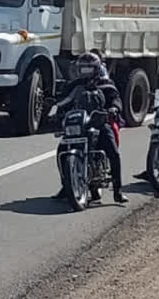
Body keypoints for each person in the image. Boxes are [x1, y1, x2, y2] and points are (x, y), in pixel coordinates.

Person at [53, 52, 127, 204]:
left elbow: (116, 98)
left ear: (96, 68)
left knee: (113, 151)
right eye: (83, 69)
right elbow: (63, 101)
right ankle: (66, 185)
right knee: (61, 149)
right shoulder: (74, 85)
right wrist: (56, 111)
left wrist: (114, 108)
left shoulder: (106, 84)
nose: (85, 72)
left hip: (100, 123)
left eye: (89, 69)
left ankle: (118, 190)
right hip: (78, 125)